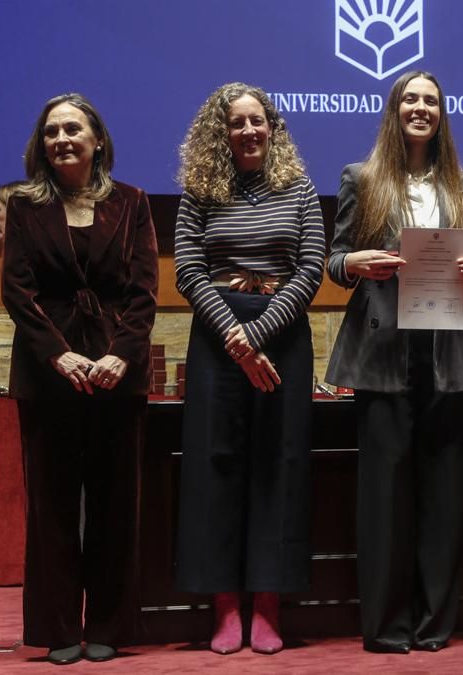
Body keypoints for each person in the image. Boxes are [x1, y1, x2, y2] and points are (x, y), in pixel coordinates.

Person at [325, 70, 463, 654]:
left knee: (444, 496)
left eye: (432, 101)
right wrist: (358, 263)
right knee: (384, 499)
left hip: (446, 348)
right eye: (411, 99)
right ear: (394, 110)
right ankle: (387, 626)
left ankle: (434, 622)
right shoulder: (361, 178)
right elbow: (334, 261)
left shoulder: (462, 182)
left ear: (443, 114)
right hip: (384, 351)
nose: (421, 108)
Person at [1, 93, 158, 665]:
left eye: (73, 129)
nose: (61, 139)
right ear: (40, 146)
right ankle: (60, 627)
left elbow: (143, 292)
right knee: (53, 507)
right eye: (51, 133)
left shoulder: (134, 203)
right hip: (49, 376)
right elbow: (17, 292)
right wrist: (59, 356)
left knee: (117, 506)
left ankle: (112, 625)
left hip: (119, 374)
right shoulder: (23, 207)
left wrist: (120, 355)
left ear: (97, 140)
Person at [173, 82, 325, 656]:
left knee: (279, 465)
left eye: (257, 121)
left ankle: (267, 605)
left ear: (273, 127)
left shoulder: (300, 187)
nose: (248, 131)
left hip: (281, 335)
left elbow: (310, 269)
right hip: (217, 336)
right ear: (220, 132)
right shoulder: (199, 188)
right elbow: (188, 268)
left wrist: (256, 334)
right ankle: (226, 608)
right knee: (217, 465)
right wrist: (235, 338)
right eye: (235, 123)